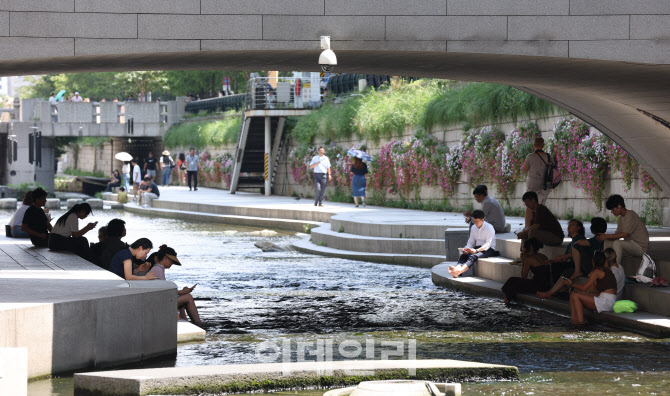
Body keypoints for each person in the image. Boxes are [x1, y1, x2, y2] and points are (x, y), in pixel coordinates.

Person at [145, 245, 203, 326]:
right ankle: (198, 323)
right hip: (158, 303)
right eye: (171, 261)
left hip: (157, 301)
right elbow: (163, 291)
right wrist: (182, 292)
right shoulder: (158, 269)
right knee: (188, 297)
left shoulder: (157, 269)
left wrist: (181, 292)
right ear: (165, 258)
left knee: (183, 298)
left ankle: (186, 322)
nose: (172, 263)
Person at [536, 219, 586, 299]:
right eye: (569, 225)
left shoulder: (580, 239)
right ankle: (555, 289)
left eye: (572, 224)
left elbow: (573, 254)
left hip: (578, 264)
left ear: (578, 228)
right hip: (571, 263)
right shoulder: (572, 242)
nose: (569, 226)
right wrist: (552, 261)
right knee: (553, 265)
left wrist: (562, 257)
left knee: (559, 268)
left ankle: (554, 291)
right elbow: (565, 258)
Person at [564, 251, 617, 324]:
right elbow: (595, 292)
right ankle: (573, 320)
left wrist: (571, 284)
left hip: (606, 302)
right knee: (574, 294)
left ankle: (579, 323)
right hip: (609, 300)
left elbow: (584, 288)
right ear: (605, 261)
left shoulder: (597, 272)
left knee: (575, 295)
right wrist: (584, 293)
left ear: (593, 261)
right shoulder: (608, 270)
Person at [598, 194, 649, 269]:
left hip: (640, 247)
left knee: (617, 243)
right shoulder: (621, 218)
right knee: (607, 241)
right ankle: (605, 266)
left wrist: (607, 236)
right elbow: (617, 235)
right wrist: (605, 237)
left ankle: (615, 269)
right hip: (631, 245)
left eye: (613, 209)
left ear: (619, 206)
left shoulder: (630, 215)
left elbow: (625, 234)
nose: (612, 212)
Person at [448, 210, 498, 278]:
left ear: (483, 220)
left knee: (473, 256)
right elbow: (471, 242)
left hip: (489, 249)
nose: (475, 223)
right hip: (477, 247)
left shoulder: (489, 227)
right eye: (474, 221)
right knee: (464, 255)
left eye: (477, 221)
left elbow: (488, 244)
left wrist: (476, 251)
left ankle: (459, 272)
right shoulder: (473, 227)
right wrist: (465, 249)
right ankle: (457, 269)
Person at [501, 238, 551, 304]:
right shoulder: (543, 256)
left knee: (512, 281)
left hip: (538, 286)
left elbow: (524, 276)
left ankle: (507, 300)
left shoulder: (529, 259)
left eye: (524, 247)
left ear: (527, 248)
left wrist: (524, 260)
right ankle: (509, 298)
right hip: (546, 285)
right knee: (513, 282)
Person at [521, 137, 553, 228]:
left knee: (529, 205)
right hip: (545, 185)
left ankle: (527, 226)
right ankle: (539, 225)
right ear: (543, 145)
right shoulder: (548, 156)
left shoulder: (530, 156)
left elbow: (524, 169)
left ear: (534, 145)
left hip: (532, 184)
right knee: (540, 206)